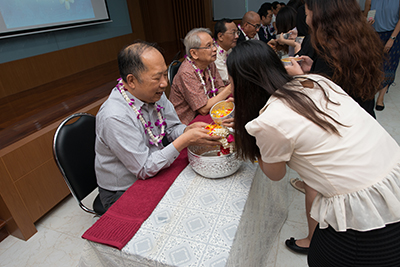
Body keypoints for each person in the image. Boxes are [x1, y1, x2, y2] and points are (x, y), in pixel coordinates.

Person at [227, 40, 400, 266]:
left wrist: (252, 135)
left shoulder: (270, 122)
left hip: (366, 210)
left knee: (321, 258)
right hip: (393, 178)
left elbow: (275, 174)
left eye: (231, 80)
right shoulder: (317, 81)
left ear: (243, 83)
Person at [281, 0, 385, 254]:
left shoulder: (327, 46)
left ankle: (312, 241)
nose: (305, 20)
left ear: (319, 15)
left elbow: (324, 99)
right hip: (363, 118)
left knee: (315, 182)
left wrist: (301, 76)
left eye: (306, 14)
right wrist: (312, 71)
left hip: (339, 127)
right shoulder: (360, 36)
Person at [95, 41, 222, 210]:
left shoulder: (153, 93)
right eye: (157, 77)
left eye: (164, 74)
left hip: (153, 168)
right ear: (131, 80)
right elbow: (144, 168)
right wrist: (184, 140)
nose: (164, 83)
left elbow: (170, 128)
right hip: (124, 189)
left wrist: (187, 130)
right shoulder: (115, 116)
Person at [169, 28, 232, 125]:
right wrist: (230, 88)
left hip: (209, 111)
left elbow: (220, 87)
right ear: (194, 53)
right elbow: (203, 109)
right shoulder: (186, 72)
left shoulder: (209, 62)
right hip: (187, 122)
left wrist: (227, 98)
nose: (215, 49)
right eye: (208, 46)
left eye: (213, 44)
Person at [364, 0, 400, 111]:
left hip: (392, 34)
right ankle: (369, 90)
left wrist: (392, 39)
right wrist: (367, 23)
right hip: (374, 34)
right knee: (371, 64)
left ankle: (381, 97)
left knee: (389, 65)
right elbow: (366, 14)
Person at [213, 18, 239, 85]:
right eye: (233, 33)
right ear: (220, 36)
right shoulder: (214, 55)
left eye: (237, 32)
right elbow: (227, 79)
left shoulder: (229, 49)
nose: (237, 36)